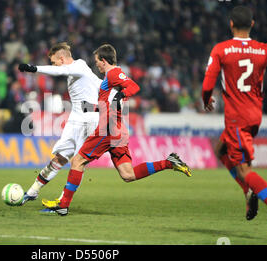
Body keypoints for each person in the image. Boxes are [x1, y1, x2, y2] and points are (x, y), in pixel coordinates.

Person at [42, 44, 192, 216]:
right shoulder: (109, 78)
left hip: (108, 128)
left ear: (104, 61)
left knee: (77, 161)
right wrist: (92, 107)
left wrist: (123, 95)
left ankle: (63, 204)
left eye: (97, 61)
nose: (96, 64)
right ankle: (169, 162)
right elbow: (109, 105)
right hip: (118, 129)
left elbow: (134, 86)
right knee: (128, 174)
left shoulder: (113, 73)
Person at [202, 6, 267, 240]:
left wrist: (206, 99)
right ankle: (248, 191)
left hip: (236, 118)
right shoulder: (264, 49)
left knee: (244, 170)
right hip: (254, 116)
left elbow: (206, 87)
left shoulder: (221, 49)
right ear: (252, 24)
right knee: (220, 149)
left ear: (231, 24)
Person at [18, 42, 101, 204]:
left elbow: (59, 71)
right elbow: (99, 83)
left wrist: (33, 69)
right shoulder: (80, 71)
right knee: (60, 157)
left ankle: (62, 202)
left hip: (88, 119)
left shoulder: (79, 66)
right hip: (76, 118)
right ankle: (33, 191)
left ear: (62, 59)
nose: (54, 65)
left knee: (78, 162)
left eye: (54, 62)